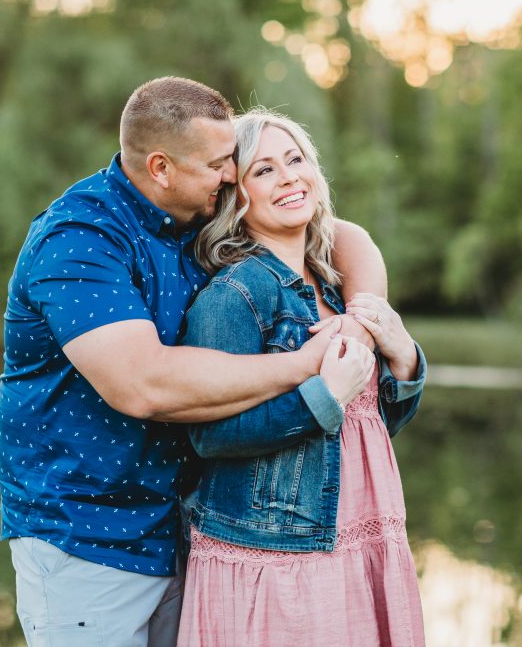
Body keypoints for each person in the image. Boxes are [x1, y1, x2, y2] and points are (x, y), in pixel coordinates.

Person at [0, 77, 384, 647]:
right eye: (218, 164)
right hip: (86, 537)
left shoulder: (192, 213)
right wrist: (308, 366)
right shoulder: (79, 238)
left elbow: (341, 232)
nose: (230, 175)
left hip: (183, 533)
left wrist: (364, 315)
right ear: (161, 167)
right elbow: (142, 385)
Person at [176, 108, 426, 646]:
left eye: (295, 160)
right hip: (277, 554)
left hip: (361, 538)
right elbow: (209, 435)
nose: (288, 177)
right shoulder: (234, 297)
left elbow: (367, 428)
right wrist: (320, 398)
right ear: (234, 196)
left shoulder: (335, 286)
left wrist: (404, 359)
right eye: (263, 170)